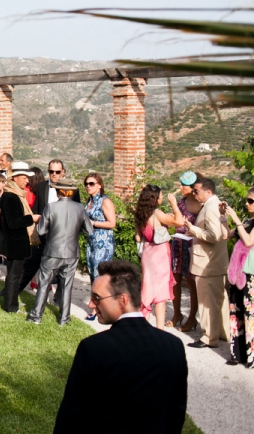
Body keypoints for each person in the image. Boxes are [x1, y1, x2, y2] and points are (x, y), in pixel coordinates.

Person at [53, 260, 188, 434]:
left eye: (96, 298)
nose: (91, 305)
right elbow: (176, 414)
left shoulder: (93, 348)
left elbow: (71, 416)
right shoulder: (174, 346)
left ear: (123, 300)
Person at [27, 180, 92, 326]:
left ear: (58, 192)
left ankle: (36, 316)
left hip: (52, 250)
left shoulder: (51, 207)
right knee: (67, 286)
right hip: (72, 251)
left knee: (44, 283)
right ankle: (64, 318)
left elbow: (41, 230)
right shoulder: (79, 208)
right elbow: (89, 230)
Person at [19, 159, 81, 294]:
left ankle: (59, 300)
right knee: (30, 265)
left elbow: (76, 212)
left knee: (63, 273)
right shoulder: (42, 187)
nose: (54, 174)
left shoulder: (72, 189)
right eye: (51, 171)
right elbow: (36, 209)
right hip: (42, 235)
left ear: (63, 172)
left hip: (63, 238)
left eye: (57, 172)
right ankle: (13, 292)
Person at [185, 177, 230, 349]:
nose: (194, 194)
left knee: (207, 302)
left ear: (208, 191)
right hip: (216, 262)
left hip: (207, 264)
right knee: (219, 300)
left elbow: (214, 236)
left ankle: (209, 337)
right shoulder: (214, 205)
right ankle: (223, 332)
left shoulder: (211, 208)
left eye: (196, 191)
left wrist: (193, 229)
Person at [134, 185, 185, 329]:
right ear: (155, 199)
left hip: (147, 254)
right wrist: (174, 205)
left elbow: (138, 238)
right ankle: (159, 330)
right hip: (159, 255)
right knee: (160, 295)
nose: (162, 197)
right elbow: (179, 222)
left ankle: (143, 327)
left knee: (148, 289)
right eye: (161, 195)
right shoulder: (157, 213)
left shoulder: (139, 214)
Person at [0, 162, 40, 312]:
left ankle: (12, 302)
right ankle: (10, 306)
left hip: (16, 242)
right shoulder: (11, 196)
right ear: (15, 178)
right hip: (14, 243)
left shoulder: (16, 195)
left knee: (16, 274)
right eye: (24, 178)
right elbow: (13, 222)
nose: (27, 181)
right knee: (14, 275)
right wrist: (32, 218)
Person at [223, 187, 254, 367]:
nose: (247, 204)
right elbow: (227, 235)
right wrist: (223, 218)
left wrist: (236, 219)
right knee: (236, 311)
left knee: (250, 314)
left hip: (251, 274)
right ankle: (238, 353)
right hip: (238, 273)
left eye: (251, 201)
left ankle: (250, 355)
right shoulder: (247, 221)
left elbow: (249, 241)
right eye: (247, 200)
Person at [170, 171, 202, 331]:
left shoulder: (200, 204)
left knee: (191, 282)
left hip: (191, 245)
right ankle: (177, 314)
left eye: (184, 185)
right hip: (178, 243)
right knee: (175, 280)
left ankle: (192, 318)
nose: (181, 187)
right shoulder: (182, 201)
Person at [82, 172, 116, 320]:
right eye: (86, 184)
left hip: (103, 243)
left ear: (99, 185)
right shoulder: (89, 201)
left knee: (99, 275)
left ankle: (98, 309)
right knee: (92, 273)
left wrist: (94, 223)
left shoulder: (105, 201)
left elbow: (112, 223)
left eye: (91, 184)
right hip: (91, 241)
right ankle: (98, 305)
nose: (88, 186)